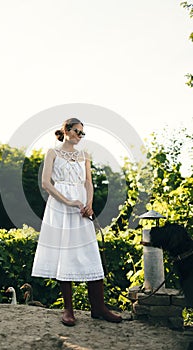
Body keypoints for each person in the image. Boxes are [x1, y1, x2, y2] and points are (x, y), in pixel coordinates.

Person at [31, 117, 122, 326]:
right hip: (61, 206)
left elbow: (88, 183)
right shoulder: (52, 152)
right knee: (66, 253)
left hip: (82, 209)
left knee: (90, 252)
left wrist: (89, 204)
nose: (80, 136)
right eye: (77, 131)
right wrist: (69, 201)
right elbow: (46, 183)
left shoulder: (84, 155)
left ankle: (98, 308)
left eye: (83, 133)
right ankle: (68, 310)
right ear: (66, 130)